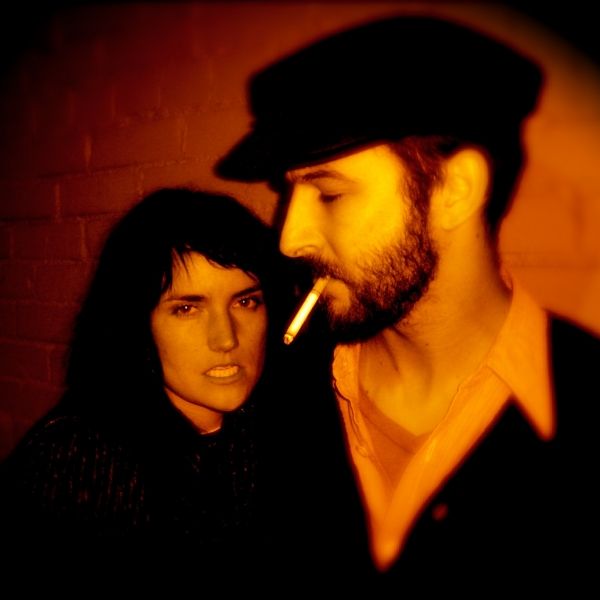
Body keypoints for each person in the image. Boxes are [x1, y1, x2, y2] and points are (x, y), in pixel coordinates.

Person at [216, 15, 600, 589]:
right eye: (290, 191)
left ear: (454, 190)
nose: (290, 238)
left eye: (329, 193)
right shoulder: (278, 390)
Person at [0, 187, 299, 574]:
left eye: (245, 302)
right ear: (136, 323)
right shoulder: (82, 460)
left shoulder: (277, 428)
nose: (226, 338)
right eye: (187, 309)